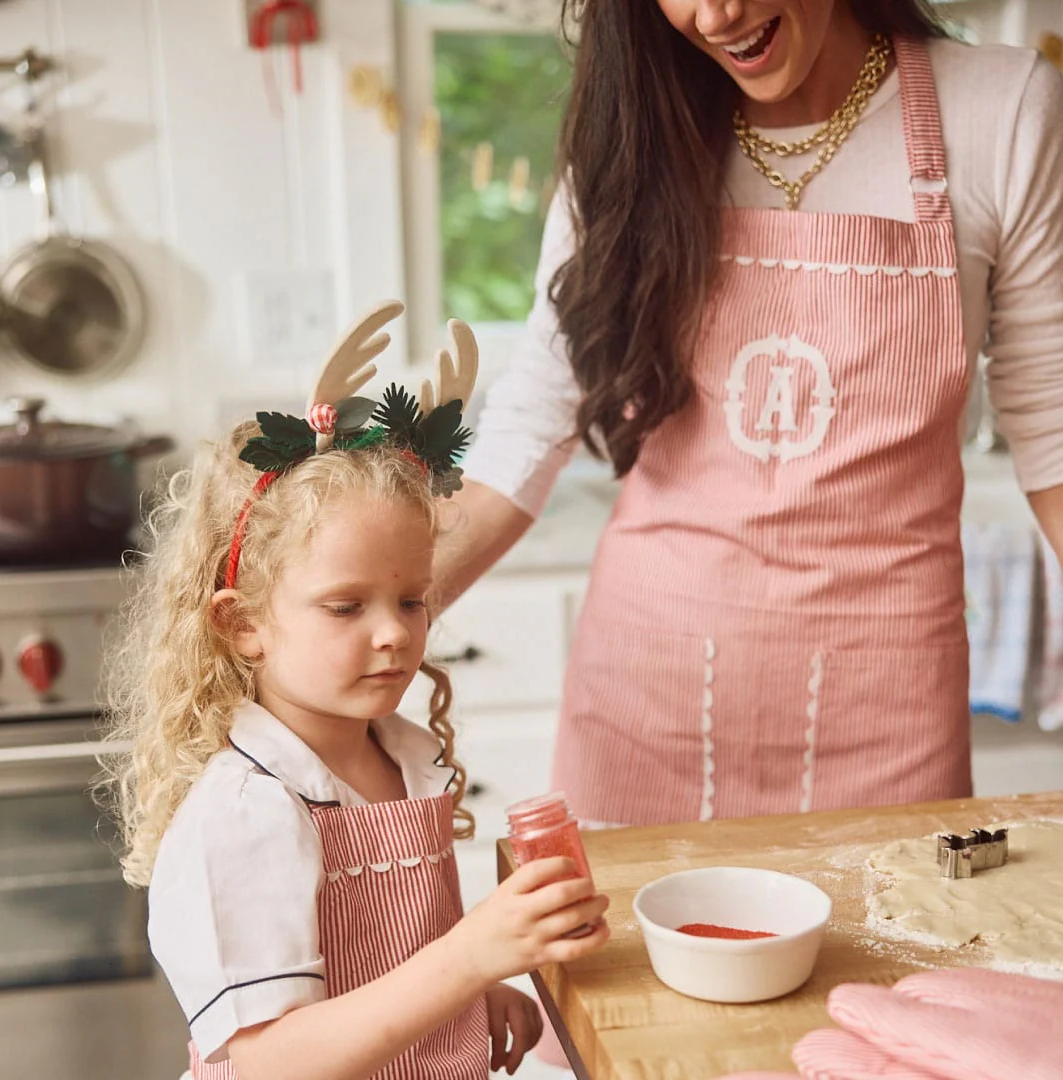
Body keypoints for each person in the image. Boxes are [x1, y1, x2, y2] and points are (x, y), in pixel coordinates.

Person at [436, 0, 1063, 827]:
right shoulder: (635, 132)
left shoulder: (1002, 110)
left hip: (888, 710)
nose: (716, 12)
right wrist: (360, 608)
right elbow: (538, 407)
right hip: (643, 702)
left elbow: (1052, 423)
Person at [99, 304, 610, 1080]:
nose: (394, 635)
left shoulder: (394, 755)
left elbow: (390, 972)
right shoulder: (249, 811)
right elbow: (270, 1061)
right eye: (346, 607)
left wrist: (474, 998)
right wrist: (468, 963)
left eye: (411, 601)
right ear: (243, 625)